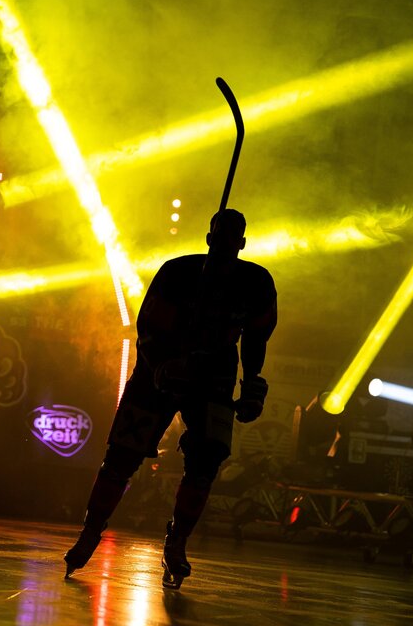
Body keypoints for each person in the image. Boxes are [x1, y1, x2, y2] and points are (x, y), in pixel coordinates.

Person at [64, 208, 277, 588]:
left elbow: (256, 337)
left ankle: (177, 542)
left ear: (242, 244)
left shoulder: (256, 283)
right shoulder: (178, 273)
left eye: (234, 239)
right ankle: (91, 531)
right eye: (221, 236)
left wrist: (252, 383)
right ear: (209, 238)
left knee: (206, 461)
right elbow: (147, 328)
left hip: (214, 378)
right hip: (157, 373)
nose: (227, 245)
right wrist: (162, 366)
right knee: (122, 455)